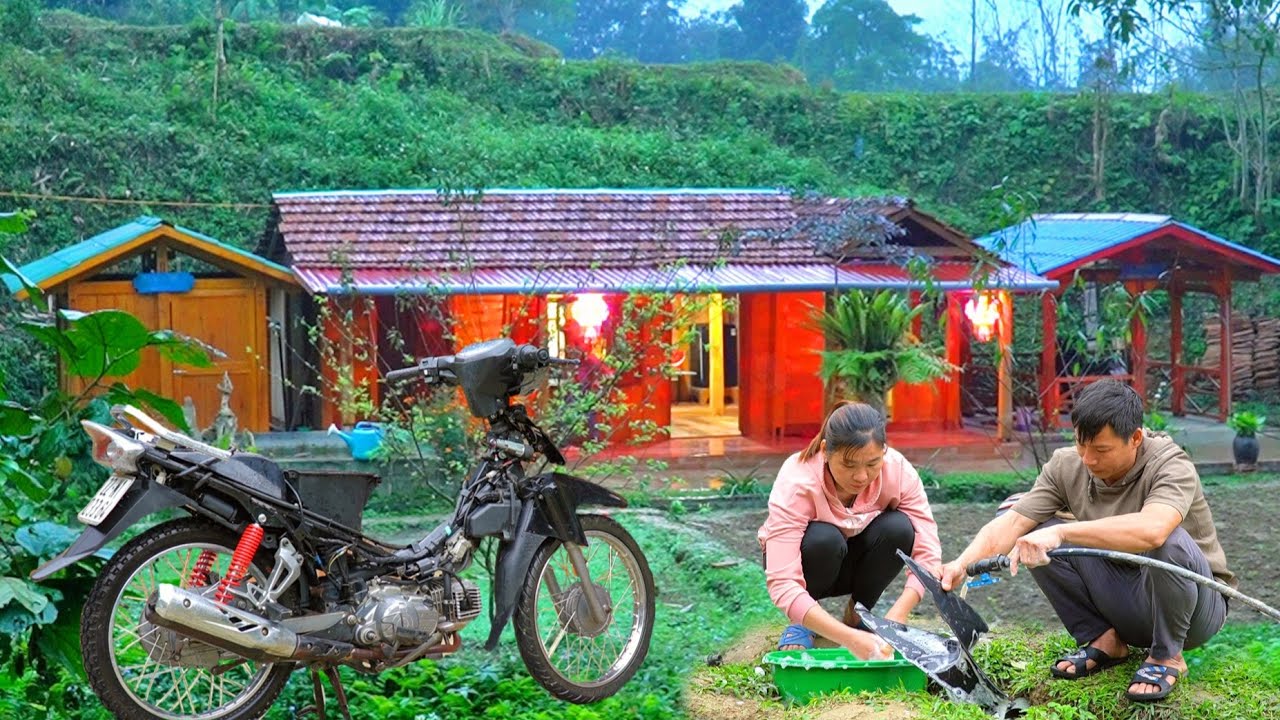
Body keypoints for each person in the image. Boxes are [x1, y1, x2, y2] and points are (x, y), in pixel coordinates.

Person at [934, 380, 1232, 703]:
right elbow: (1014, 522)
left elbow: (1154, 530)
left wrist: (1064, 532)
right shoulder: (1067, 465)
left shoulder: (1170, 465)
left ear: (1135, 438)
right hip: (1124, 600)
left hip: (1193, 610)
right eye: (1081, 444)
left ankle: (1166, 656)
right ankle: (1104, 640)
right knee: (1034, 530)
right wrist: (961, 565)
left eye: (1101, 450)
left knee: (1170, 541)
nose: (1088, 459)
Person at [757, 402, 942, 660]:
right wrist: (848, 639)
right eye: (849, 464)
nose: (861, 477)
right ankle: (801, 622)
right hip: (813, 562)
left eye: (872, 464)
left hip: (855, 564)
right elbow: (782, 580)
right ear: (825, 451)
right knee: (824, 539)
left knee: (899, 528)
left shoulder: (897, 471)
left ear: (884, 452)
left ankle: (859, 614)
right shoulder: (798, 479)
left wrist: (898, 614)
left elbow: (928, 552)